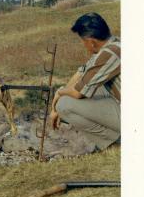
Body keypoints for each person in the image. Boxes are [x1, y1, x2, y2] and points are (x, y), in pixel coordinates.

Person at [51, 12, 120, 150]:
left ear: (91, 41)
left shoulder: (109, 53)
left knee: (64, 105)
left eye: (83, 41)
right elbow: (81, 73)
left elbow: (77, 93)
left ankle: (113, 143)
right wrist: (56, 104)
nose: (83, 45)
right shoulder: (112, 45)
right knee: (91, 88)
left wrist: (59, 94)